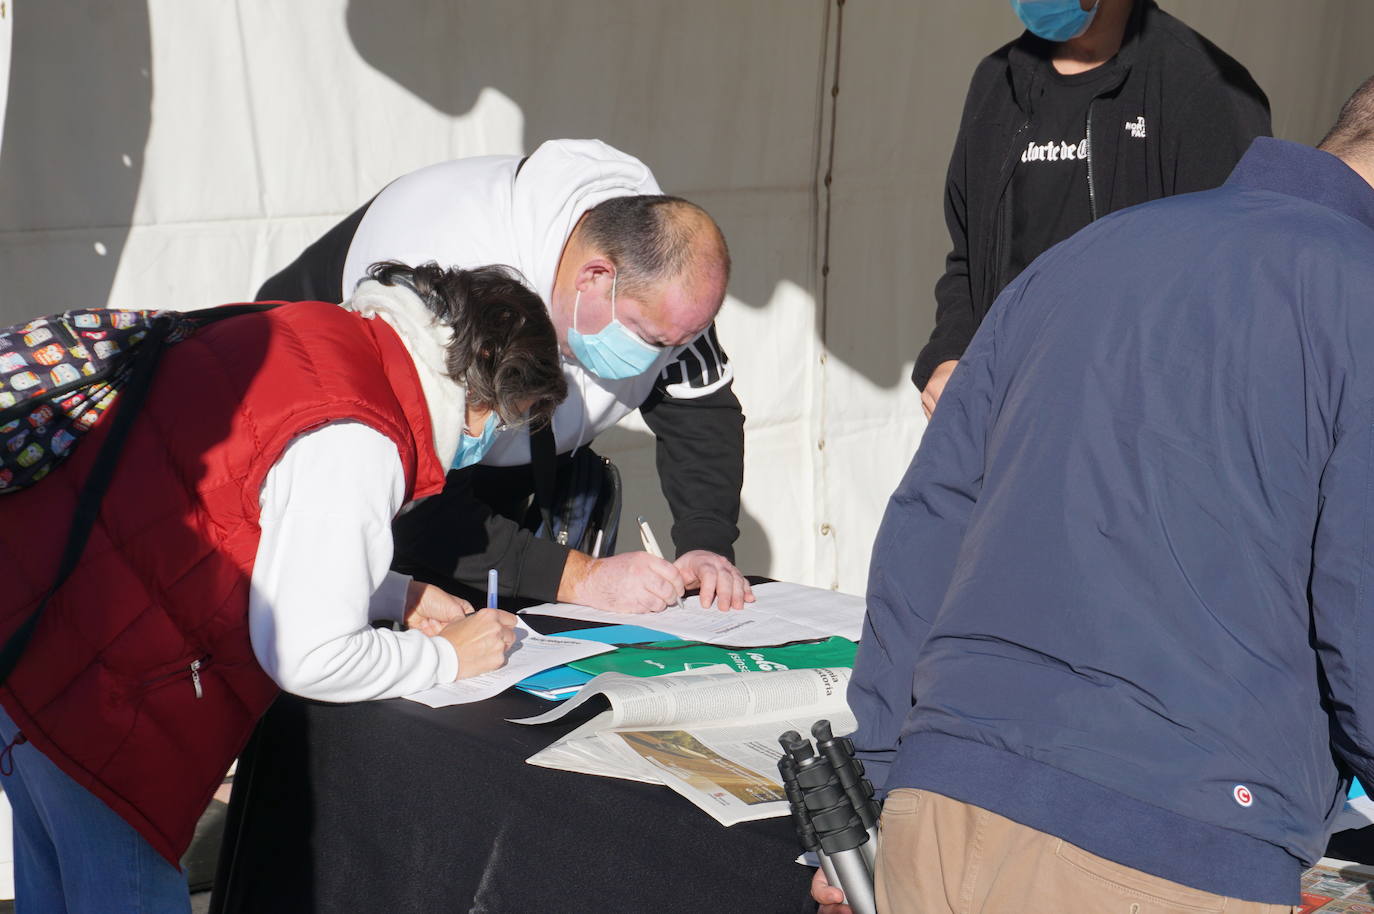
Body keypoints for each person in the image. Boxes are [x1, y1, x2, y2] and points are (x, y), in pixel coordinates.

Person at [817, 76, 1374, 913]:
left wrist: (882, 783)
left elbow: (928, 528)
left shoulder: (1088, 250)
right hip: (1171, 848)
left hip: (940, 808)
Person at [0, 261, 568, 911]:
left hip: (34, 626)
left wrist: (393, 593)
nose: (494, 440)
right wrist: (447, 657)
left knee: (52, 885)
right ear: (481, 385)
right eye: (508, 417)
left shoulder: (328, 334)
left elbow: (244, 505)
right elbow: (310, 657)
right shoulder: (364, 436)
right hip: (103, 703)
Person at [257, 139, 754, 615]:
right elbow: (412, 501)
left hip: (482, 461)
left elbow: (700, 408)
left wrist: (705, 543)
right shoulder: (449, 275)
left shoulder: (658, 290)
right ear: (596, 277)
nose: (655, 360)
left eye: (677, 342)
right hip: (326, 452)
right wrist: (581, 579)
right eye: (647, 337)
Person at [913, 0, 1271, 419]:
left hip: (1128, 439)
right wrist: (949, 356)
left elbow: (1231, 296)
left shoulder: (1204, 87)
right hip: (1004, 428)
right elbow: (967, 260)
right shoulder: (998, 81)